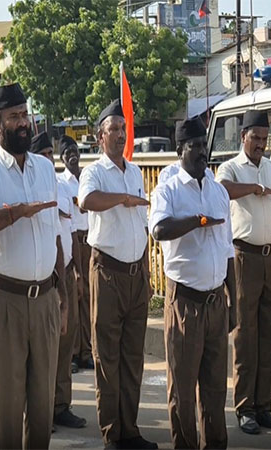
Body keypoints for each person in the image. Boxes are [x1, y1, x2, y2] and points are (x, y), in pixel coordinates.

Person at [0, 83, 68, 449]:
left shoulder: (44, 168)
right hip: (4, 301)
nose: (24, 123)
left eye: (25, 115)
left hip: (46, 301)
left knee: (42, 409)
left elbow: (55, 236)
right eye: (14, 117)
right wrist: (14, 214)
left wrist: (62, 295)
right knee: (8, 410)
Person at [150, 116, 236, 449]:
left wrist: (234, 302)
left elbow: (228, 249)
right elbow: (159, 230)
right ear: (179, 151)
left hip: (216, 302)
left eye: (204, 145)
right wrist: (196, 221)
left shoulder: (217, 192)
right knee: (183, 391)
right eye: (194, 146)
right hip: (185, 303)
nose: (202, 152)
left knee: (215, 389)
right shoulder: (168, 190)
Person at [78, 99, 156, 450]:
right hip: (107, 271)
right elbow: (86, 201)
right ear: (99, 137)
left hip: (135, 272)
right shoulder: (94, 171)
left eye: (122, 130)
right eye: (113, 130)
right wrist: (122, 199)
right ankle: (112, 432)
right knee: (106, 355)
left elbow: (141, 222)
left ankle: (130, 428)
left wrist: (147, 269)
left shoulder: (135, 171)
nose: (120, 135)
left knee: (132, 355)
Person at [216, 109, 271, 435]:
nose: (261, 144)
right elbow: (223, 191)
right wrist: (253, 188)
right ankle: (245, 407)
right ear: (243, 136)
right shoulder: (231, 167)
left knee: (269, 334)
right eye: (255, 138)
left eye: (265, 138)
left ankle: (264, 405)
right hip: (244, 258)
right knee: (246, 335)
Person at [30, 131, 87, 430]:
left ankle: (60, 405)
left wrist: (77, 273)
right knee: (42, 350)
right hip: (41, 274)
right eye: (43, 154)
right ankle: (39, 410)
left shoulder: (62, 188)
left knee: (66, 343)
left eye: (50, 154)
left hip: (64, 270)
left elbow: (73, 234)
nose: (48, 159)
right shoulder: (27, 188)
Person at [58, 135, 93, 371]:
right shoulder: (61, 183)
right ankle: (73, 352)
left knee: (89, 298)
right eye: (66, 152)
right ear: (61, 158)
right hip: (74, 241)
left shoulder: (88, 178)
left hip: (90, 241)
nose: (72, 155)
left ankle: (87, 351)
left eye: (74, 150)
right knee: (74, 297)